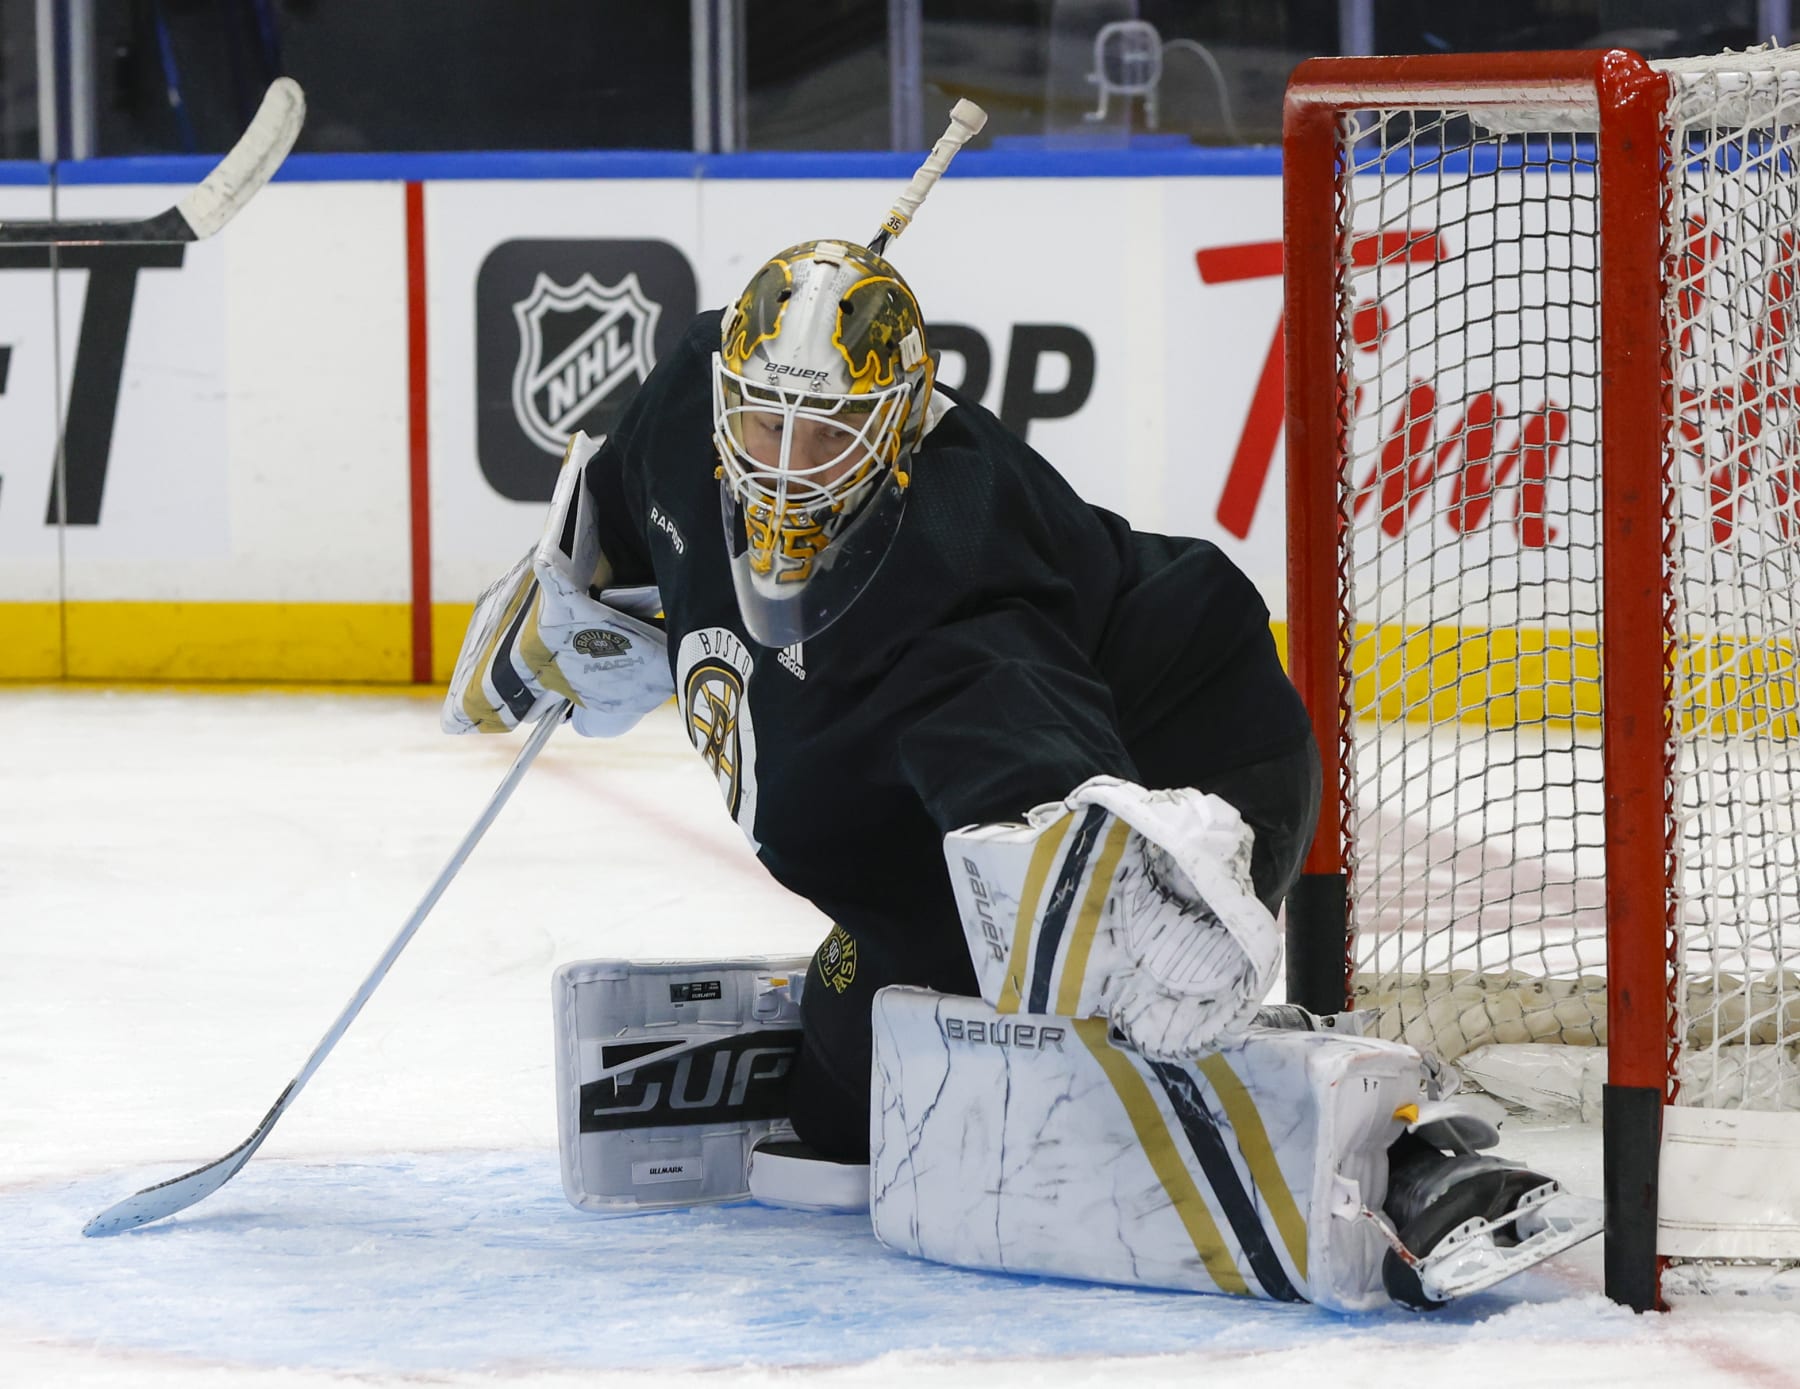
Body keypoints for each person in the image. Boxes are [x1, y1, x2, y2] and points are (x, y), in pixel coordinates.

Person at [445, 237, 1594, 1308]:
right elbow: (634, 512)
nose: (787, 469)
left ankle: (1407, 1160)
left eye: (830, 432)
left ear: (897, 424)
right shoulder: (701, 379)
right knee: (844, 1120)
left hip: (1179, 757)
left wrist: (1150, 928)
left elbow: (1078, 856)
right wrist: (573, 604)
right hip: (927, 813)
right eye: (766, 424)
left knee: (1096, 990)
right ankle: (893, 1008)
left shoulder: (952, 605)